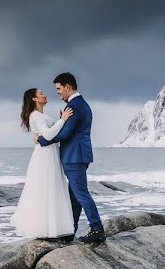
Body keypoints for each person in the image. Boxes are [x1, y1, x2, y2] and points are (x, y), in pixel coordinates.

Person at [33, 72, 106, 244]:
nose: (58, 93)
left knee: (80, 193)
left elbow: (65, 134)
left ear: (68, 87)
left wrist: (41, 140)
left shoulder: (75, 106)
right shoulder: (80, 104)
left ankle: (97, 228)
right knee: (74, 195)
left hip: (75, 156)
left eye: (59, 89)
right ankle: (70, 231)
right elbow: (72, 129)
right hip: (79, 154)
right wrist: (63, 120)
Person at [9, 88, 76, 239]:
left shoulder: (40, 115)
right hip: (45, 155)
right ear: (34, 99)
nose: (44, 95)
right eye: (40, 94)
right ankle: (46, 228)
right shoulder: (36, 116)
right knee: (47, 188)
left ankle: (51, 227)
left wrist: (60, 122)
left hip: (49, 153)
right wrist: (63, 119)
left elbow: (47, 132)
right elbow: (48, 134)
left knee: (51, 188)